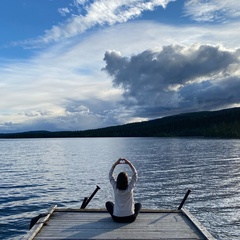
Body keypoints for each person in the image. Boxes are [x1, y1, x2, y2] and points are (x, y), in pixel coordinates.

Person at [106, 158, 142, 223]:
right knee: (139, 205)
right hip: (130, 218)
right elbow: (135, 175)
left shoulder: (115, 187)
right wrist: (129, 163)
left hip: (117, 218)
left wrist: (116, 164)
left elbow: (110, 175)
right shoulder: (130, 188)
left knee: (108, 203)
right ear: (127, 180)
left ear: (118, 180)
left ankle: (119, 212)